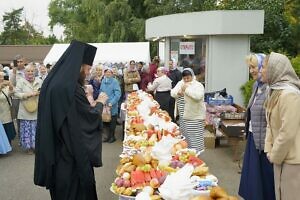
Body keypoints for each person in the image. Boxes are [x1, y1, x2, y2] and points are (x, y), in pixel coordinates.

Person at [34, 40, 108, 200]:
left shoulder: (52, 82)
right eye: (88, 68)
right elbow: (89, 119)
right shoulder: (71, 90)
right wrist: (100, 102)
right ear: (79, 66)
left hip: (55, 155)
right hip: (71, 159)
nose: (88, 73)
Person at [261, 52, 300, 200]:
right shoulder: (275, 92)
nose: (261, 70)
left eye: (264, 67)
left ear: (274, 70)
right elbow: (270, 125)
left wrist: (274, 155)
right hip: (281, 157)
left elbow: (287, 132)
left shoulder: (290, 95)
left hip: (293, 161)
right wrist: (269, 150)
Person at [239, 54, 275, 200]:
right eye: (250, 68)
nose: (252, 71)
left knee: (265, 179)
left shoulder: (270, 89)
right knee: (252, 178)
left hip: (265, 141)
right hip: (254, 136)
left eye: (254, 67)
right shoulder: (256, 86)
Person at [171, 68, 205, 153]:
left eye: (188, 78)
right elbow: (172, 93)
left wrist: (186, 89)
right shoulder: (180, 83)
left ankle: (197, 154)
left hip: (194, 116)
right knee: (186, 136)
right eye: (184, 78)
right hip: (183, 116)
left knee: (195, 138)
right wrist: (178, 93)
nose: (186, 80)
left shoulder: (198, 85)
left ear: (192, 76)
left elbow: (198, 97)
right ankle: (188, 154)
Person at [14, 64, 42, 154]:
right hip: (25, 109)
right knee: (26, 129)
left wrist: (39, 93)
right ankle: (29, 147)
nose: (30, 73)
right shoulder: (20, 81)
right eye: (28, 71)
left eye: (32, 71)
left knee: (36, 128)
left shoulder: (39, 80)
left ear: (35, 72)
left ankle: (36, 146)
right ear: (24, 72)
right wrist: (27, 95)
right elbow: (16, 93)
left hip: (37, 108)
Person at [99, 67, 121, 143]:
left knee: (112, 121)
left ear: (112, 73)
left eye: (109, 72)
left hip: (112, 105)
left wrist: (112, 102)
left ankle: (112, 136)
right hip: (104, 104)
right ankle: (106, 136)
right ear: (104, 73)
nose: (108, 73)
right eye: (106, 72)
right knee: (105, 120)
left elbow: (118, 94)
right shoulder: (103, 81)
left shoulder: (115, 81)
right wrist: (101, 100)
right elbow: (101, 91)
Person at [0, 72, 16, 144]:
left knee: (7, 128)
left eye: (3, 77)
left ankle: (7, 145)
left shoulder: (6, 86)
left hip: (6, 111)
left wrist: (11, 86)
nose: (1, 78)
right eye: (0, 77)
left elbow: (11, 93)